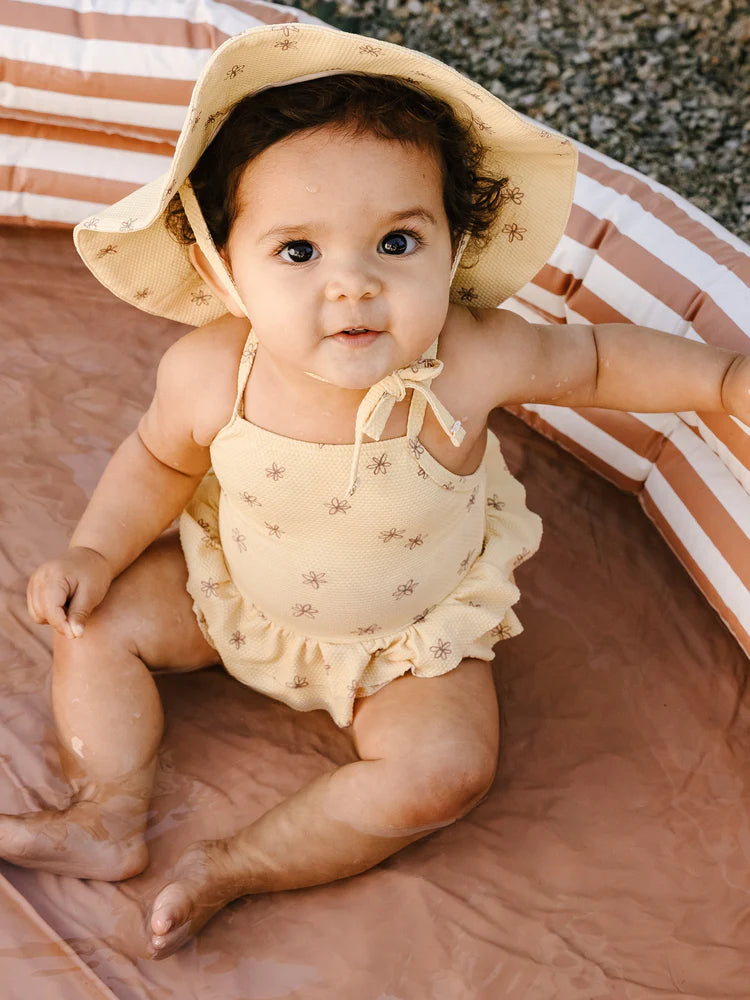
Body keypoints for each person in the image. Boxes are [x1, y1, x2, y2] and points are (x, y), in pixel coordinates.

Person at [8, 24, 750, 960]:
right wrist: (96, 551)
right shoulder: (210, 373)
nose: (353, 286)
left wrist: (724, 381)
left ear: (455, 249)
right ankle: (107, 808)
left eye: (397, 241)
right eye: (298, 253)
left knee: (445, 773)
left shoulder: (472, 356)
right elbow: (156, 463)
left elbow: (596, 357)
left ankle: (236, 864)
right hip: (235, 591)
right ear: (221, 270)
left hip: (407, 633)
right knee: (92, 622)